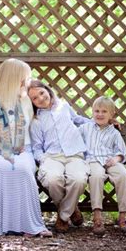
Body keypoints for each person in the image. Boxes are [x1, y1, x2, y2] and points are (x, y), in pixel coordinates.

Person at [0, 58, 52, 237]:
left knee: (24, 168)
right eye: (25, 78)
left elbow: (53, 108)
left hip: (23, 150)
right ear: (13, 78)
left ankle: (30, 226)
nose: (28, 82)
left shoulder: (26, 100)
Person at [28, 80, 89, 233]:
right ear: (32, 103)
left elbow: (80, 121)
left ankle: (62, 216)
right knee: (52, 179)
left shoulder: (64, 107)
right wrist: (43, 160)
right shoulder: (36, 121)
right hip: (52, 156)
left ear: (47, 90)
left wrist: (106, 123)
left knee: (79, 179)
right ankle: (72, 209)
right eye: (35, 98)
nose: (41, 98)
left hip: (74, 154)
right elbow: (36, 147)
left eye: (41, 93)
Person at [79, 96, 126, 235]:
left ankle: (123, 217)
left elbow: (121, 151)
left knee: (124, 175)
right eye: (96, 111)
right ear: (92, 112)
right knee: (96, 176)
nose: (100, 114)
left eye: (104, 111)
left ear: (111, 114)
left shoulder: (114, 132)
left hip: (110, 160)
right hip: (93, 160)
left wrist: (116, 158)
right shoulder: (85, 128)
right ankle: (97, 217)